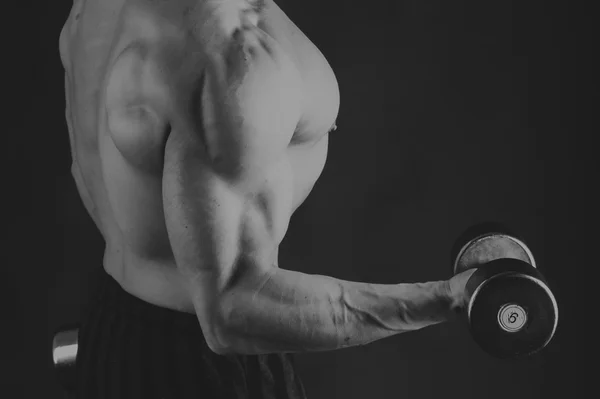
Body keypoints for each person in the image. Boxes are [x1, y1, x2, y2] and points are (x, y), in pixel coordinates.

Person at [59, 0, 475, 397]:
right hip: (202, 376)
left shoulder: (91, 13)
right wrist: (450, 297)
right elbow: (232, 308)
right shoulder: (228, 56)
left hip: (113, 333)